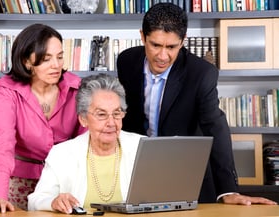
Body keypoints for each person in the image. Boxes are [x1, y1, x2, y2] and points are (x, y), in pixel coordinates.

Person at [117, 3, 277, 206]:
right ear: (142, 36)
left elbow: (215, 127)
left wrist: (228, 189)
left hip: (186, 172)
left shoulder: (200, 74)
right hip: (137, 169)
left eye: (171, 47)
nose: (163, 56)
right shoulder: (126, 61)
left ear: (183, 41)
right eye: (155, 45)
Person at [0, 23, 86, 213]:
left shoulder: (77, 87)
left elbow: (86, 141)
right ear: (27, 61)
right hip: (21, 181)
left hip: (64, 181)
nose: (56, 65)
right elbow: (3, 144)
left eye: (60, 56)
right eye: (46, 59)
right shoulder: (8, 90)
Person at [27, 73, 145, 213]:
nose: (111, 123)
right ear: (83, 119)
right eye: (101, 114)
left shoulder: (142, 147)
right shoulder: (61, 154)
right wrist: (53, 202)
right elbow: (35, 202)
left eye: (116, 113)